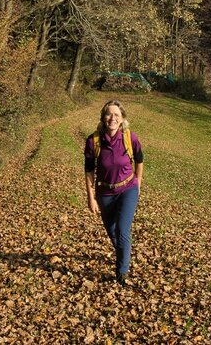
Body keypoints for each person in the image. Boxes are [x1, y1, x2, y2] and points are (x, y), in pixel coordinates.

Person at [84, 99, 143, 285]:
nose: (112, 118)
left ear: (122, 118)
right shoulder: (93, 140)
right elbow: (88, 170)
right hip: (105, 193)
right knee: (112, 231)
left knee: (122, 230)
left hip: (128, 189)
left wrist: (138, 182)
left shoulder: (130, 138)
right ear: (103, 117)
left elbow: (139, 160)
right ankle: (122, 254)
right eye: (109, 114)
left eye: (116, 115)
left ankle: (121, 272)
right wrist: (90, 197)